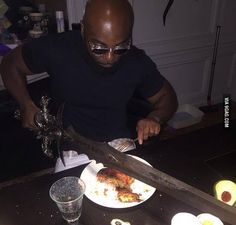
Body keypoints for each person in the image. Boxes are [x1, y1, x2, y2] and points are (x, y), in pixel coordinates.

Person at [0, 0, 178, 171]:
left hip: (119, 146)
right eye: (99, 48)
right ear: (83, 28)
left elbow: (166, 97)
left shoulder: (137, 61)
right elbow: (10, 64)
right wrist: (26, 104)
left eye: (120, 48)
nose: (110, 57)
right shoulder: (58, 48)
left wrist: (155, 118)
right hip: (71, 149)